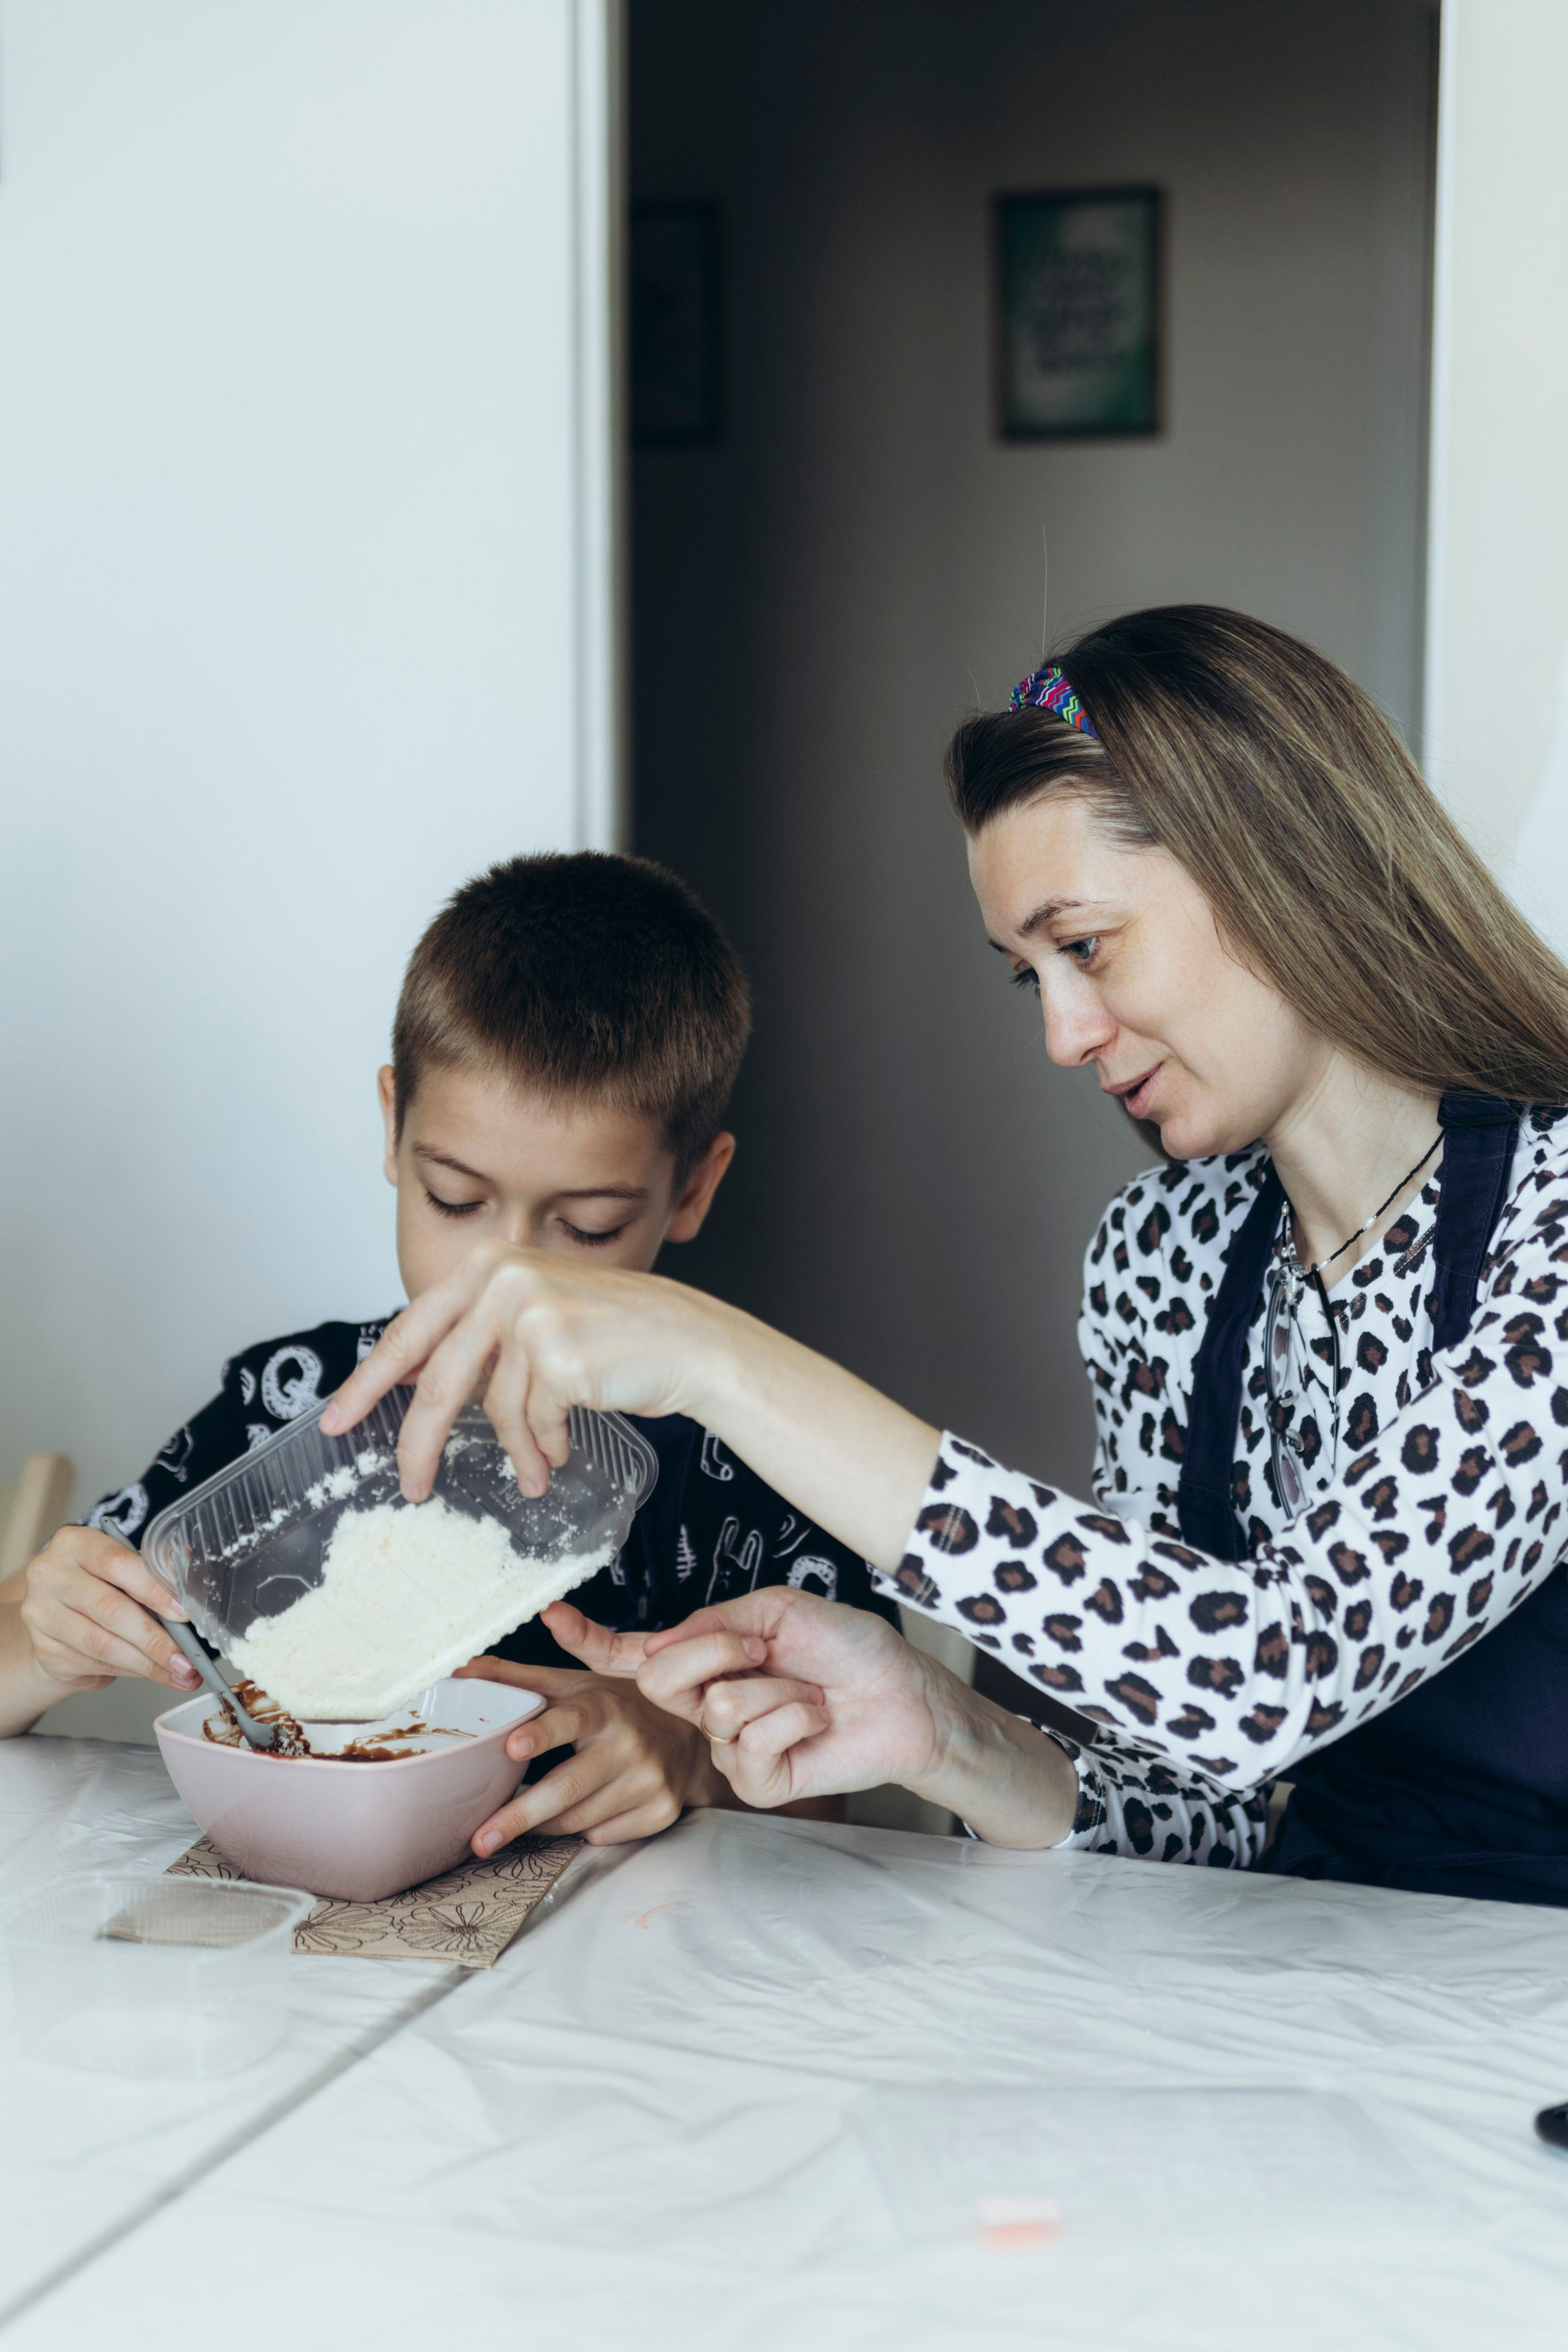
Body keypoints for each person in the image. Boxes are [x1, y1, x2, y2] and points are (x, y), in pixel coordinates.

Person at [327, 607, 1568, 1905]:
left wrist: (715, 1358)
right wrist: (938, 1730)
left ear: (1278, 865)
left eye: (1082, 946)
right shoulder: (1168, 1257)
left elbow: (1267, 1677)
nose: (1064, 1034)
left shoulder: (1549, 1218)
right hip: (1339, 1987)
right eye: (1028, 976)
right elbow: (1205, 1817)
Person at [0, 853, 898, 1847]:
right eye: (456, 1201)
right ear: (394, 1127)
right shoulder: (291, 1406)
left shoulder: (758, 1447)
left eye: (588, 1227)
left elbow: (834, 1811)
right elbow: (32, 1640)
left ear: (692, 1191)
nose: (504, 1280)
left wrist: (687, 1754)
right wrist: (42, 1641)